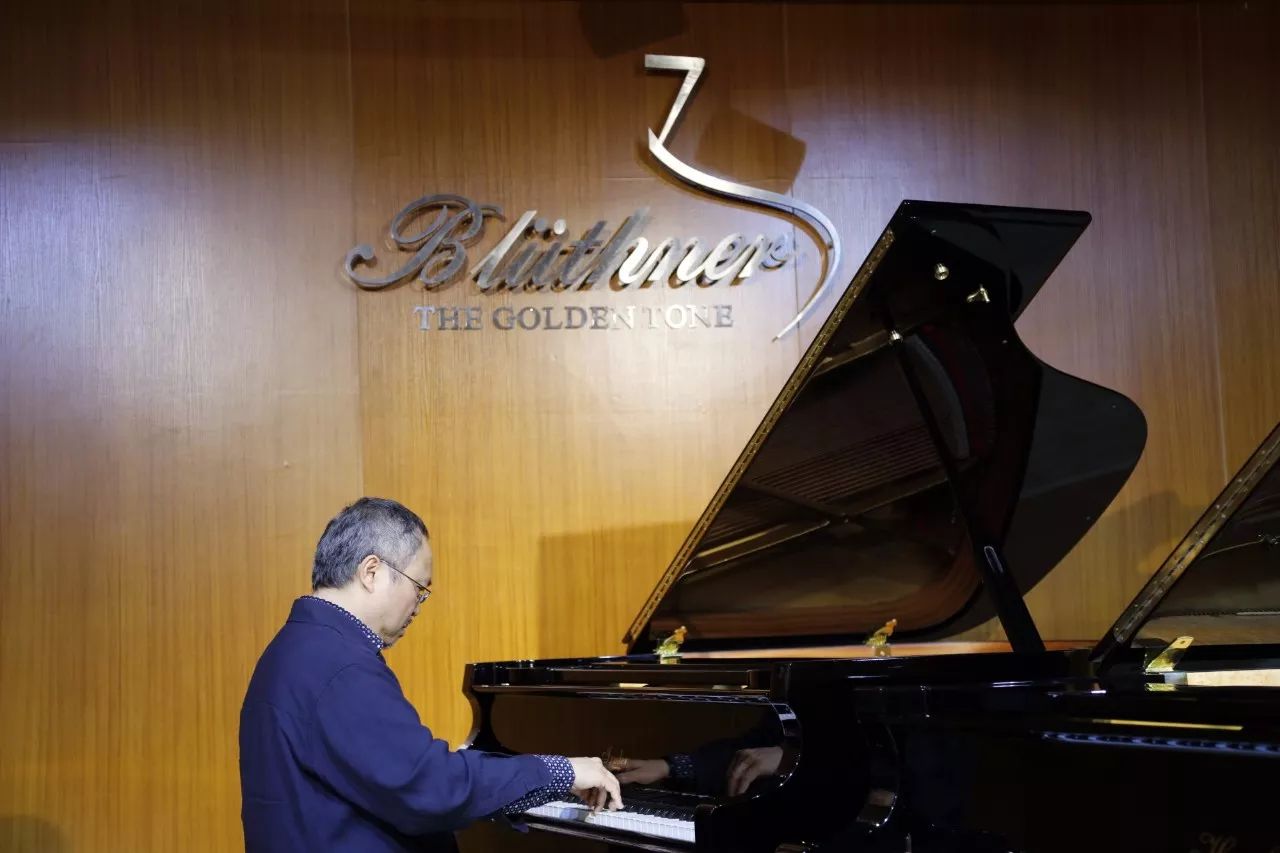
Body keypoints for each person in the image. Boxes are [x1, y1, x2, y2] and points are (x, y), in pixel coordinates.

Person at [239, 497, 622, 852]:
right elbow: (429, 787)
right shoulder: (339, 664)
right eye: (419, 588)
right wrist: (560, 772)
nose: (418, 606)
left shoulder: (296, 647)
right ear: (372, 571)